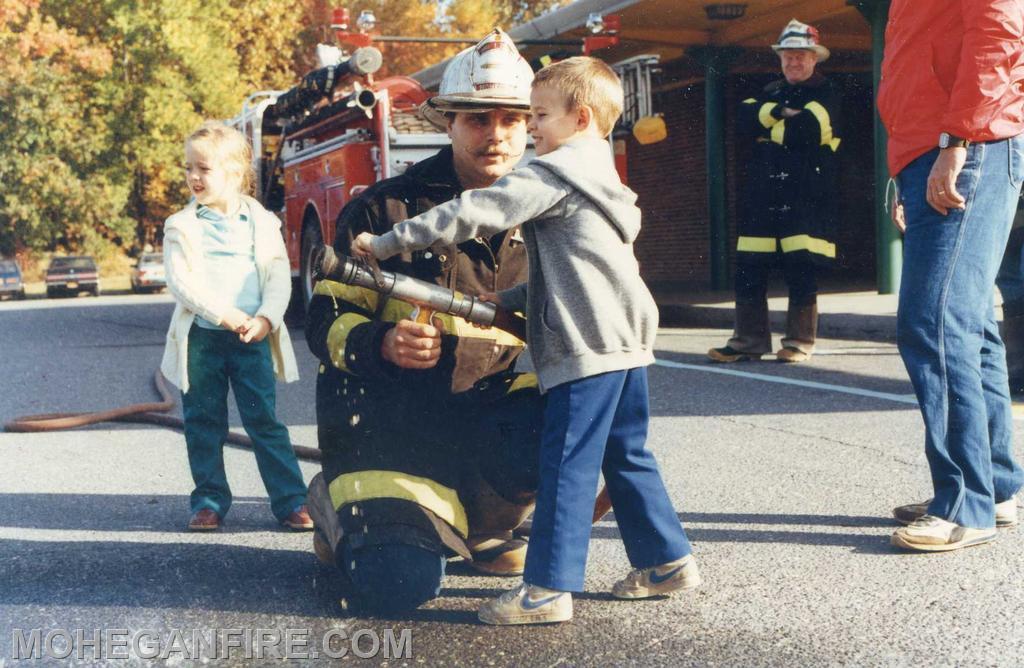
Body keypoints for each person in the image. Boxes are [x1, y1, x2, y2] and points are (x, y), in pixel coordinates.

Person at [353, 56, 698, 626]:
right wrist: (506, 304)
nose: (530, 127)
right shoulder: (603, 176)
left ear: (580, 118)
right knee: (626, 453)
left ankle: (545, 592)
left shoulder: (552, 172)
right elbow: (575, 270)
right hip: (627, 339)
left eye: (537, 115)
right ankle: (667, 561)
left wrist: (388, 242)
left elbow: (475, 211)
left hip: (587, 345)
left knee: (566, 464)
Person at [304, 29, 544, 614]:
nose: (496, 135)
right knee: (397, 588)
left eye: (512, 120)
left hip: (487, 427)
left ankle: (486, 525)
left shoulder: (550, 217)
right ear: (450, 123)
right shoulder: (382, 211)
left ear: (531, 125)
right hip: (396, 433)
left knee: (565, 420)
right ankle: (338, 506)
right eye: (478, 120)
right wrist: (382, 343)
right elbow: (323, 317)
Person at [879, 2, 1024, 552]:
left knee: (934, 321)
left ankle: (965, 504)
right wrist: (905, 171)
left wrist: (955, 143)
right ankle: (996, 488)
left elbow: (998, 37)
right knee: (969, 324)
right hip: (934, 149)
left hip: (968, 144)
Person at [161, 121, 312, 532]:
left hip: (252, 338)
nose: (193, 176)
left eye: (203, 168)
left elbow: (279, 274)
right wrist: (224, 315)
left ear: (234, 171)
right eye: (188, 167)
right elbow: (182, 282)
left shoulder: (262, 221)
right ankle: (209, 500)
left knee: (264, 420)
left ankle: (291, 500)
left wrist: (266, 318)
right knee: (203, 421)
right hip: (204, 341)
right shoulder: (182, 225)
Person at [708, 19, 841, 364]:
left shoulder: (828, 92)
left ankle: (799, 341)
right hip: (763, 195)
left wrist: (767, 124)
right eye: (787, 56)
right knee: (749, 265)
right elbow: (742, 118)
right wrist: (781, 113)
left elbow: (810, 130)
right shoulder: (771, 92)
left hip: (805, 194)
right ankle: (747, 341)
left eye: (800, 56)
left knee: (801, 266)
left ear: (815, 58)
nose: (793, 63)